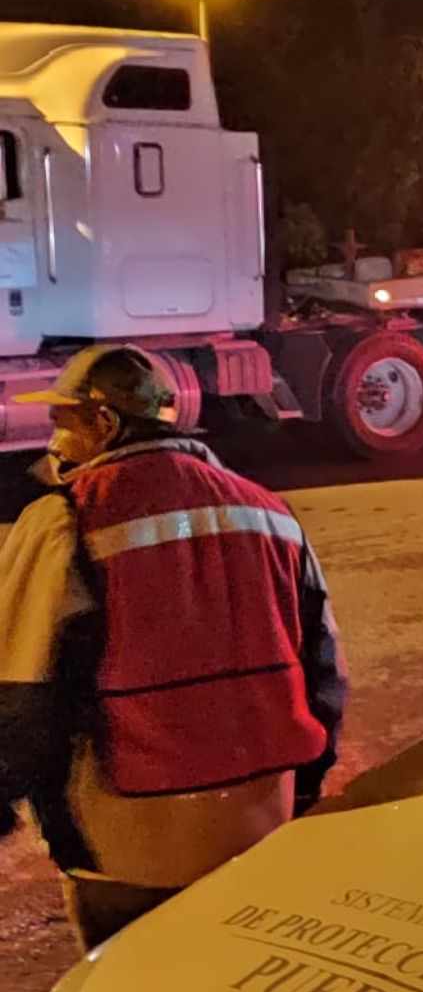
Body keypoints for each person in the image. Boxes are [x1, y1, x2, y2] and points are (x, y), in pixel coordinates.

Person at [0, 345, 346, 948]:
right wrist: (299, 791)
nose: (54, 441)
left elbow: (22, 693)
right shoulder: (270, 512)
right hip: (261, 824)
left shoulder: (66, 517)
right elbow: (325, 674)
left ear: (105, 424)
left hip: (127, 843)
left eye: (65, 422)